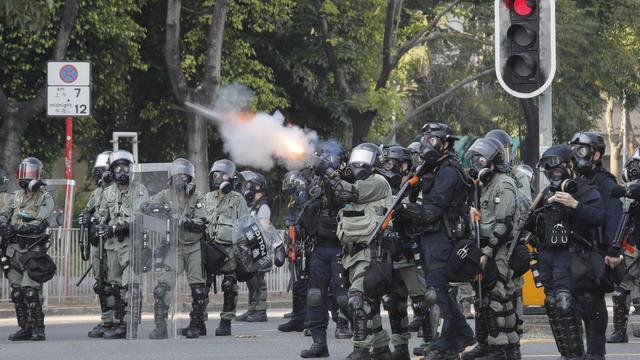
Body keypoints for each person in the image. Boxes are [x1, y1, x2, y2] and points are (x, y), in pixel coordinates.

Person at [397, 123, 475, 360]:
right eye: (425, 140)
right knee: (438, 290)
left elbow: (432, 210)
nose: (427, 145)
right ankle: (455, 338)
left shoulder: (449, 171)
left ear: (446, 143)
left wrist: (405, 208)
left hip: (443, 236)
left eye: (432, 141)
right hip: (429, 237)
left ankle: (456, 336)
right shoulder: (431, 168)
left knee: (437, 291)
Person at [524, 144, 606, 359]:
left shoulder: (587, 190)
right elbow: (530, 225)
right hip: (549, 260)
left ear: (570, 166)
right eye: (549, 171)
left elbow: (599, 217)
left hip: (576, 261)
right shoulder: (546, 194)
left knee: (567, 305)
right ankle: (568, 354)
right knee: (553, 306)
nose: (554, 174)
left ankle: (582, 355)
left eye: (558, 169)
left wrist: (575, 205)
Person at [326, 142, 394, 359]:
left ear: (375, 162)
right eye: (357, 156)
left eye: (365, 157)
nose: (359, 162)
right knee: (365, 305)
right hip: (349, 255)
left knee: (357, 301)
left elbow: (349, 193)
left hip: (370, 253)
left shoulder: (377, 182)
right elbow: (333, 200)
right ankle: (382, 347)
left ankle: (361, 349)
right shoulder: (350, 183)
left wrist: (325, 170)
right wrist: (328, 173)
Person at [462, 138, 519, 360]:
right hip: (485, 246)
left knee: (494, 298)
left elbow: (503, 224)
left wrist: (487, 253)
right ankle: (506, 348)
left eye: (481, 160)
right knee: (496, 299)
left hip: (499, 249)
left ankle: (498, 349)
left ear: (493, 162)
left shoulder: (503, 184)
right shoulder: (485, 185)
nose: (476, 165)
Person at [569, 132, 623, 359]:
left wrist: (612, 251)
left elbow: (614, 217)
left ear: (596, 153)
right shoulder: (573, 181)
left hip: (596, 253)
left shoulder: (605, 181)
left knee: (594, 309)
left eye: (582, 150)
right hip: (574, 256)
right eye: (575, 150)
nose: (577, 155)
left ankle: (595, 354)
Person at [146, 158, 209, 339]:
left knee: (198, 288)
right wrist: (160, 209)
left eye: (185, 176)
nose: (181, 180)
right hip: (174, 246)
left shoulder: (198, 197)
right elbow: (146, 205)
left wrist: (184, 221)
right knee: (162, 286)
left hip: (194, 246)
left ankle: (197, 324)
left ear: (190, 179)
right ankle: (160, 326)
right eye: (178, 176)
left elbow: (202, 222)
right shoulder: (165, 195)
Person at [379, 145, 431, 360]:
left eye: (391, 162)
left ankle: (430, 343)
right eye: (385, 163)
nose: (387, 167)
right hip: (390, 252)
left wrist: (403, 210)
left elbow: (421, 213)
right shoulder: (384, 187)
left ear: (405, 164)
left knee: (421, 301)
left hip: (411, 250)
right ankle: (400, 347)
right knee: (393, 301)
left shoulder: (415, 184)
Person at [299, 150, 351, 358]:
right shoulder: (316, 183)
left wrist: (329, 173)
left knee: (343, 299)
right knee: (314, 295)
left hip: (341, 246)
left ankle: (365, 340)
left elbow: (343, 194)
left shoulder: (347, 180)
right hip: (319, 247)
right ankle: (319, 342)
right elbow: (306, 204)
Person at [96, 150, 149, 339]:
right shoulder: (108, 191)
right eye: (117, 167)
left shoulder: (140, 189)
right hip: (112, 244)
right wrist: (99, 225)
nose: (121, 170)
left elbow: (139, 217)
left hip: (131, 241)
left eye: (125, 166)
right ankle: (119, 323)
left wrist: (116, 228)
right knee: (115, 285)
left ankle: (130, 324)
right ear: (111, 170)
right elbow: (102, 214)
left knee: (131, 284)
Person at [0, 157, 54, 341]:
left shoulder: (45, 197)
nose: (26, 177)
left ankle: (39, 328)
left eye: (30, 173)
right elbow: (4, 214)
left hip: (33, 250)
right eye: (24, 172)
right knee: (17, 292)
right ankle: (25, 328)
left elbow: (40, 223)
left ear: (38, 175)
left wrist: (18, 228)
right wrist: (3, 225)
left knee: (30, 290)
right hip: (13, 250)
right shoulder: (15, 196)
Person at [205, 159, 249, 336]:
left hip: (229, 250)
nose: (219, 178)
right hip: (209, 248)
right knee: (202, 285)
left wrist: (244, 252)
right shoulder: (207, 198)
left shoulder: (238, 199)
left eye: (224, 175)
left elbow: (245, 225)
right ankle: (198, 321)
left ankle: (226, 322)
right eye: (216, 174)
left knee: (229, 285)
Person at [80, 151, 115, 338]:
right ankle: (107, 320)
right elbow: (88, 211)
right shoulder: (97, 193)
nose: (100, 175)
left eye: (103, 170)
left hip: (112, 243)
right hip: (97, 243)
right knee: (100, 284)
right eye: (98, 171)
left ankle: (117, 320)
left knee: (113, 283)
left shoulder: (117, 191)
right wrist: (86, 218)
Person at [607, 148, 640, 343]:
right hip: (634, 244)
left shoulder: (634, 189)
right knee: (621, 289)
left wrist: (627, 190)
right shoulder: (633, 190)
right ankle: (619, 331)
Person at [236, 170, 272, 323]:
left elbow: (263, 228)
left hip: (259, 247)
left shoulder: (263, 207)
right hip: (251, 247)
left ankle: (261, 311)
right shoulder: (253, 207)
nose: (246, 188)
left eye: (248, 185)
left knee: (259, 281)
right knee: (251, 281)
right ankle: (252, 309)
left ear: (257, 187)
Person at [279, 169, 311, 333]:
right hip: (294, 241)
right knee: (297, 282)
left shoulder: (305, 196)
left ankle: (308, 320)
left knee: (305, 282)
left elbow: (302, 218)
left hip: (304, 243)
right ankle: (298, 318)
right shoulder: (295, 197)